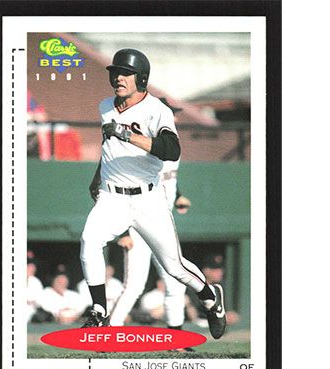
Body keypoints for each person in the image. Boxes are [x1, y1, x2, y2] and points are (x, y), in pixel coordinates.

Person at [79, 48, 226, 339]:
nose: (118, 78)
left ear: (142, 78)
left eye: (126, 73)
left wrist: (127, 134)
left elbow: (172, 150)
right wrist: (97, 176)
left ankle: (210, 296)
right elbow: (109, 146)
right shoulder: (105, 106)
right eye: (115, 72)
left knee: (174, 267)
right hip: (112, 196)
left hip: (147, 198)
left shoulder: (157, 109)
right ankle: (98, 311)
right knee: (89, 241)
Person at [109, 98, 191, 331]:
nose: (175, 118)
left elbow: (165, 178)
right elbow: (124, 187)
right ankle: (110, 332)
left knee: (176, 282)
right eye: (170, 114)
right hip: (138, 223)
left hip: (162, 223)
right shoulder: (140, 144)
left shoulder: (169, 144)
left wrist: (178, 196)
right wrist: (123, 230)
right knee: (134, 285)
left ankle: (176, 338)